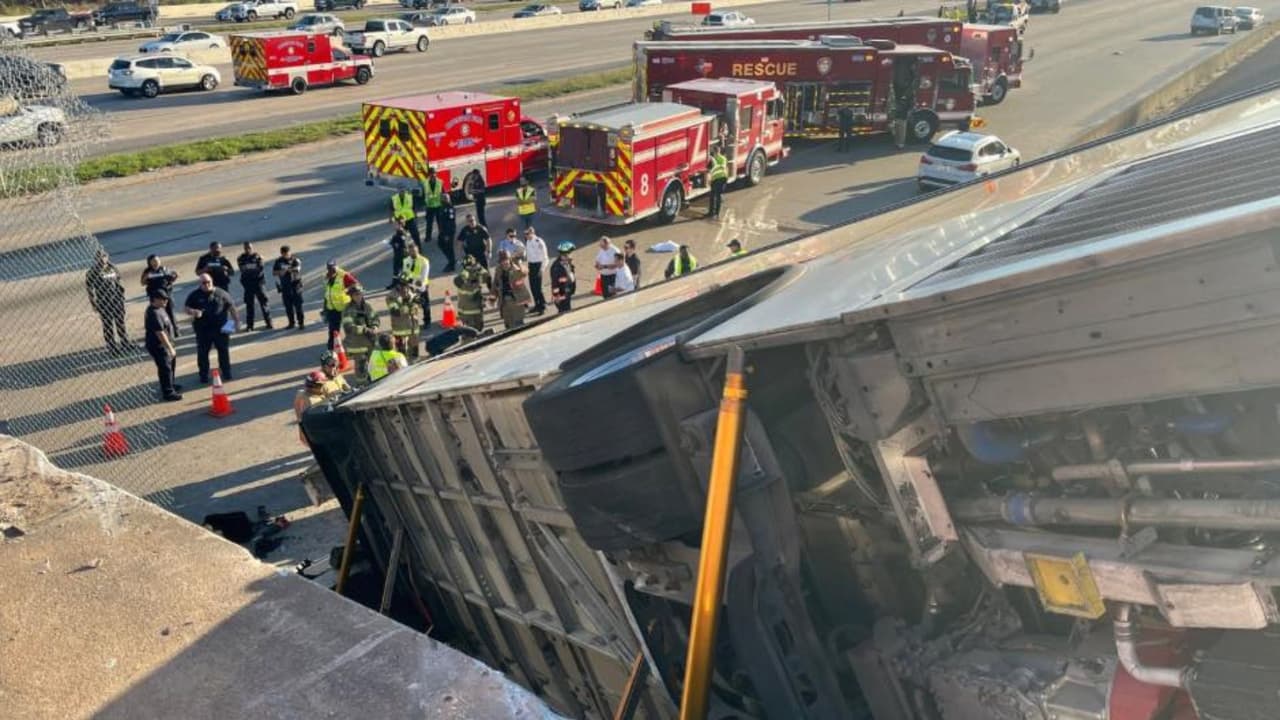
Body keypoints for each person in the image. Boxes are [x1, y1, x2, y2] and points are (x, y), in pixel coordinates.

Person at [184, 272, 240, 384]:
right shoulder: (194, 295)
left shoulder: (221, 293)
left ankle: (226, 372)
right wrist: (193, 312)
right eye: (203, 283)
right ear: (200, 284)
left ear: (212, 281)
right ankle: (203, 375)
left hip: (221, 329)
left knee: (223, 351)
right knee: (203, 353)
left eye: (208, 282)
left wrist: (236, 322)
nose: (206, 285)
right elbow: (186, 308)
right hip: (203, 330)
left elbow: (232, 307)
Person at [85, 249, 132, 353]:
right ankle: (111, 346)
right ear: (96, 259)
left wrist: (121, 295)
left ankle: (125, 342)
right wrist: (93, 303)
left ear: (107, 257)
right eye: (99, 257)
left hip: (116, 300)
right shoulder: (92, 272)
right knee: (108, 325)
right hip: (104, 302)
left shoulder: (112, 268)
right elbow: (89, 289)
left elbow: (119, 280)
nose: (102, 259)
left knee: (120, 322)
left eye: (104, 256)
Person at [144, 290, 181, 402]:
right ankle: (168, 392)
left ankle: (171, 384)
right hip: (159, 345)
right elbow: (160, 332)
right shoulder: (153, 313)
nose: (166, 301)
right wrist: (169, 347)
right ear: (155, 299)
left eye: (166, 298)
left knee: (171, 365)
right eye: (163, 299)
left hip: (166, 343)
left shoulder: (160, 308)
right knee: (165, 368)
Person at [341, 284, 379, 385]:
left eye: (360, 294)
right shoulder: (348, 309)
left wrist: (375, 326)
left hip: (370, 341)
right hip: (357, 344)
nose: (358, 296)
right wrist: (364, 330)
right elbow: (348, 326)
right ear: (351, 296)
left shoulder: (367, 306)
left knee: (374, 363)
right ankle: (362, 385)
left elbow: (375, 318)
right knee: (361, 367)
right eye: (356, 294)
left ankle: (374, 381)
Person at [491, 250, 531, 330]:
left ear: (509, 259)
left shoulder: (516, 268)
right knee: (508, 325)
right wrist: (492, 299)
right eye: (502, 261)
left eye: (506, 260)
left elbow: (525, 273)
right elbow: (495, 285)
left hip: (517, 300)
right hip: (504, 302)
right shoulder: (499, 270)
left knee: (518, 324)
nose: (504, 263)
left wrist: (519, 263)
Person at [236, 241, 273, 331]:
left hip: (258, 283)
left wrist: (250, 267)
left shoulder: (257, 256)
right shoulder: (241, 258)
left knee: (264, 303)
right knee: (249, 305)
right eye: (246, 248)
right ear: (244, 248)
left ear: (252, 248)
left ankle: (269, 322)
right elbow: (242, 269)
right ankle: (250, 325)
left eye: (249, 247)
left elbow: (260, 267)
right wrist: (253, 267)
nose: (248, 249)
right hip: (248, 284)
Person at [140, 254, 179, 332]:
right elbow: (142, 283)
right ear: (149, 263)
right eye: (153, 261)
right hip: (154, 296)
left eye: (157, 261)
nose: (156, 263)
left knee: (170, 312)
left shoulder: (164, 269)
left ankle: (175, 330)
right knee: (158, 313)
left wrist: (173, 276)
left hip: (166, 294)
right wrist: (147, 276)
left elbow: (173, 277)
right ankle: (160, 330)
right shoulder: (147, 271)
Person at [452, 255, 491, 331]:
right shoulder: (473, 276)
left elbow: (487, 278)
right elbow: (487, 277)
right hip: (470, 312)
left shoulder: (468, 276)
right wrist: (480, 268)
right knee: (473, 332)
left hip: (468, 312)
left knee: (472, 332)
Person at [386, 278, 421, 361]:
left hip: (413, 326)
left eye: (407, 285)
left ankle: (415, 361)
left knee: (414, 352)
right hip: (400, 328)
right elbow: (395, 311)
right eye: (404, 285)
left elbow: (417, 304)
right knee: (401, 354)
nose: (406, 288)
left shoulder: (411, 291)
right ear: (398, 285)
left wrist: (415, 304)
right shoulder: (391, 296)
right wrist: (409, 306)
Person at [293, 371, 330, 446]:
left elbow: (297, 402)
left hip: (308, 434)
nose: (324, 386)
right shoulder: (314, 402)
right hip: (317, 437)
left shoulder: (301, 393)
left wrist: (299, 419)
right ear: (315, 386)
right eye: (322, 385)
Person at [400, 242, 431, 328]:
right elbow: (405, 274)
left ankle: (427, 321)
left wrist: (411, 280)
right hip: (409, 287)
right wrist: (409, 281)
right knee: (410, 306)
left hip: (421, 287)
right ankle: (412, 322)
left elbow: (423, 279)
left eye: (414, 251)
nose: (412, 253)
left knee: (425, 305)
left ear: (417, 250)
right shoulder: (406, 261)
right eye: (411, 251)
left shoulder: (424, 261)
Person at [272, 245, 304, 329]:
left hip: (295, 286)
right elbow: (274, 272)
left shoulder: (295, 260)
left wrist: (288, 270)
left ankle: (301, 323)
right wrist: (280, 272)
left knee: (298, 306)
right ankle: (291, 323)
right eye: (284, 254)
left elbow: (298, 269)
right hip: (285, 287)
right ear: (281, 253)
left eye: (287, 253)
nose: (286, 255)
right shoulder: (278, 261)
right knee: (288, 306)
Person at [322, 260, 350, 350]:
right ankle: (331, 349)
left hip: (344, 307)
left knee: (349, 329)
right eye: (329, 269)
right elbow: (327, 294)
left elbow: (356, 285)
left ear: (336, 267)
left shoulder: (343, 276)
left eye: (333, 269)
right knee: (333, 331)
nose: (331, 271)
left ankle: (352, 347)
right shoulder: (326, 277)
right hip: (332, 308)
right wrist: (325, 309)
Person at [523, 226, 548, 315]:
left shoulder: (538, 242)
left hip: (538, 265)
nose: (526, 235)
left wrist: (542, 269)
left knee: (538, 287)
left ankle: (542, 306)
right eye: (525, 234)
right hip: (531, 265)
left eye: (528, 234)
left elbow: (545, 257)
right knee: (533, 287)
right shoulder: (528, 242)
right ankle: (537, 305)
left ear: (532, 233)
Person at [420, 166, 446, 242]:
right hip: (429, 206)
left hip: (439, 206)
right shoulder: (425, 183)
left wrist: (444, 204)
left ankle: (441, 236)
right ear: (429, 175)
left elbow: (444, 193)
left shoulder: (440, 182)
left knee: (440, 223)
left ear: (436, 174)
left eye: (434, 173)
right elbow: (423, 195)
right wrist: (423, 204)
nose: (433, 175)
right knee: (429, 223)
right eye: (431, 174)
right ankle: (428, 237)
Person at [550, 241, 576, 313]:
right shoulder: (556, 267)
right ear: (564, 254)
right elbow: (554, 283)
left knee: (567, 310)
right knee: (564, 312)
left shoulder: (567, 262)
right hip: (561, 295)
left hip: (567, 291)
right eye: (569, 253)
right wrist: (557, 295)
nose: (571, 255)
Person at [438, 193, 458, 272]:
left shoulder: (450, 208)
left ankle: (451, 264)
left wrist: (447, 235)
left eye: (445, 198)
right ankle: (451, 259)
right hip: (443, 231)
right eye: (443, 198)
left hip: (448, 232)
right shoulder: (442, 207)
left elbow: (451, 222)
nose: (443, 200)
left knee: (449, 247)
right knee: (440, 244)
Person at [707, 146, 728, 219]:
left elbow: (723, 166)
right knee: (713, 195)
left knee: (717, 196)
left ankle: (716, 213)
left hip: (721, 178)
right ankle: (711, 212)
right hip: (715, 179)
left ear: (716, 151)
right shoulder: (713, 159)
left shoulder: (722, 158)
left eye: (713, 151)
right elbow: (709, 168)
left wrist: (714, 163)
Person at [387, 222, 410, 288]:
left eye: (396, 224)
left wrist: (394, 244)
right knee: (396, 270)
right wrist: (391, 242)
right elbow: (394, 241)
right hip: (397, 254)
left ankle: (404, 283)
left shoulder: (402, 233)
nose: (394, 225)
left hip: (402, 255)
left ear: (401, 225)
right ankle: (395, 283)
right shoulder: (398, 232)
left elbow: (404, 244)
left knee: (403, 270)